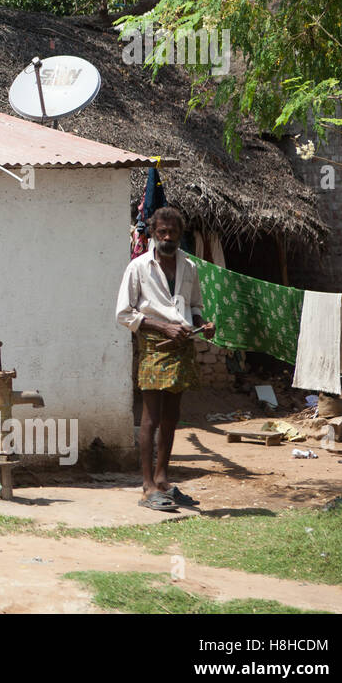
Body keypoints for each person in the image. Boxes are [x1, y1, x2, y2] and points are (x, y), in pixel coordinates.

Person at [115, 206, 215, 511]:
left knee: (172, 416)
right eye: (162, 232)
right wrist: (163, 327)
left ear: (180, 233)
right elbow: (124, 313)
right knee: (151, 417)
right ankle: (146, 486)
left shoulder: (190, 267)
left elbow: (194, 305)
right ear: (153, 232)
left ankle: (163, 480)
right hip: (154, 344)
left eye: (173, 232)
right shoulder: (138, 267)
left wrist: (203, 323)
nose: (168, 237)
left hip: (183, 342)